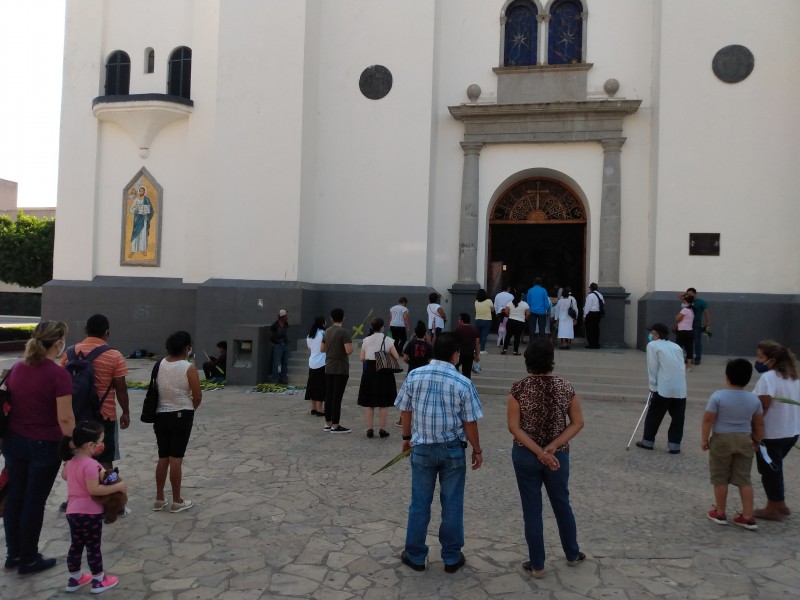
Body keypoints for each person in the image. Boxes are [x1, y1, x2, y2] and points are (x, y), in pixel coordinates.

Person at [395, 332, 484, 573]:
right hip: (452, 450)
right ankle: (452, 556)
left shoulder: (414, 375)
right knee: (452, 504)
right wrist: (477, 450)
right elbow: (470, 423)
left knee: (419, 503)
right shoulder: (463, 383)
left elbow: (405, 409)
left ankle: (415, 554)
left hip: (421, 448)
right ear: (456, 356)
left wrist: (406, 437)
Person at [507, 338, 585, 578]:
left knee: (532, 509)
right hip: (557, 455)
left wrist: (538, 451)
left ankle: (537, 564)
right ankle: (572, 553)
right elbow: (578, 422)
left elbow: (514, 427)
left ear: (527, 361)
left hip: (525, 452)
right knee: (562, 503)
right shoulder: (566, 387)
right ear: (552, 360)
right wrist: (552, 446)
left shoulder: (518, 388)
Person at [2, 321, 75, 576]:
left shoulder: (17, 369)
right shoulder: (58, 375)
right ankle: (30, 559)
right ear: (58, 343)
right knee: (34, 501)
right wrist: (73, 447)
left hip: (13, 442)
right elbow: (65, 419)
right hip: (45, 444)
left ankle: (14, 554)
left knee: (15, 498)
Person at [59, 421, 126, 593]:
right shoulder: (91, 465)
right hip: (90, 512)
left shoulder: (71, 462)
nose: (101, 445)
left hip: (72, 513)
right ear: (91, 445)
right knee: (93, 546)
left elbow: (65, 476)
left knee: (76, 545)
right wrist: (117, 487)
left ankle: (75, 578)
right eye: (100, 441)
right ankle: (98, 580)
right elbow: (94, 489)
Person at [61, 314, 130, 473]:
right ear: (107, 332)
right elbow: (120, 387)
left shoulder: (70, 353)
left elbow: (61, 383)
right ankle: (105, 494)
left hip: (76, 414)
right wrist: (125, 412)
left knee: (78, 458)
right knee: (105, 460)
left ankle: (79, 493)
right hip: (104, 415)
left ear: (85, 330)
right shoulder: (114, 355)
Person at [702, 359, 763, 530]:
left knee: (720, 477)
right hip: (745, 439)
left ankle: (720, 512)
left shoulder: (718, 396)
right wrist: (757, 440)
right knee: (744, 479)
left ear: (727, 376)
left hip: (722, 439)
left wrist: (704, 439)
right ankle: (748, 516)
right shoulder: (753, 399)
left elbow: (708, 419)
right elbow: (759, 424)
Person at [152, 331, 202, 513]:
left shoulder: (160, 364)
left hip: (160, 415)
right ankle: (177, 499)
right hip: (181, 413)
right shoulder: (188, 368)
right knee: (176, 459)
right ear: (186, 348)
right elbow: (197, 396)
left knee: (163, 457)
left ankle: (159, 498)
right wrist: (189, 409)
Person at [752, 340, 800, 521]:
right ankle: (780, 503)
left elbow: (763, 405)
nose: (756, 360)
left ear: (771, 360)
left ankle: (772, 507)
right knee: (776, 468)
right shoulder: (792, 377)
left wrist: (755, 433)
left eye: (760, 357)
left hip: (772, 433)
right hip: (791, 432)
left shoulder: (768, 378)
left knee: (768, 470)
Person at [635, 323, 687, 454]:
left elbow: (652, 367)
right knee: (678, 418)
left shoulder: (653, 345)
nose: (650, 336)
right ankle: (674, 445)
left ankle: (648, 442)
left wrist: (652, 386)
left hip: (663, 388)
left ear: (656, 334)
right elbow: (681, 367)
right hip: (680, 389)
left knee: (654, 415)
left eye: (652, 333)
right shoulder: (676, 346)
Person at [358, 318, 400, 438]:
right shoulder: (388, 340)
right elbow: (396, 356)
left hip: (370, 371)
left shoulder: (366, 340)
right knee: (383, 403)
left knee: (370, 403)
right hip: (383, 371)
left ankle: (370, 429)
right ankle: (382, 429)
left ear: (372, 327)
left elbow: (362, 358)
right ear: (382, 327)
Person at [321, 308, 353, 434]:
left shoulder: (327, 331)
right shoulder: (344, 332)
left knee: (329, 396)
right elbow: (348, 351)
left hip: (329, 366)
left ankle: (328, 423)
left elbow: (322, 349)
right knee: (337, 397)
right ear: (343, 318)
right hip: (340, 367)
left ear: (331, 318)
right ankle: (336, 425)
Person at [679, 287, 711, 366]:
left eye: (691, 294)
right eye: (688, 294)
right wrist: (687, 294)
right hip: (687, 323)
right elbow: (680, 295)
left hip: (696, 323)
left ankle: (698, 358)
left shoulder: (701, 302)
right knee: (688, 341)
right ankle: (689, 357)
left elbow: (706, 312)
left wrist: (708, 321)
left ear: (696, 294)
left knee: (697, 340)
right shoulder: (687, 301)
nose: (690, 295)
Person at [305, 316, 327, 417]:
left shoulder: (310, 335)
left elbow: (309, 349)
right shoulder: (323, 334)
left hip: (312, 362)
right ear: (322, 323)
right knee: (321, 387)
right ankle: (320, 409)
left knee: (312, 386)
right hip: (322, 363)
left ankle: (313, 408)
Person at [128, 185, 154, 258]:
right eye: (139, 191)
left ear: (144, 192)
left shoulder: (147, 200)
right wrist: (136, 210)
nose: (140, 192)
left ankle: (143, 249)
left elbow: (151, 210)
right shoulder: (136, 200)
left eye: (142, 191)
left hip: (144, 219)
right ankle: (133, 250)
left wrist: (147, 213)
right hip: (137, 219)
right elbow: (131, 209)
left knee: (143, 234)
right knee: (136, 234)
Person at [502, 291, 530, 356]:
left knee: (508, 336)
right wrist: (525, 318)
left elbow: (506, 311)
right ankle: (515, 351)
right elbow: (528, 313)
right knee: (517, 337)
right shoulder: (525, 304)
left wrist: (510, 315)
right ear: (521, 297)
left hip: (511, 321)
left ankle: (504, 349)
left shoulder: (510, 303)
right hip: (520, 322)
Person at [455, 313, 480, 379]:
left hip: (461, 353)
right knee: (467, 372)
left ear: (462, 320)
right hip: (470, 353)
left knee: (456, 366)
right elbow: (477, 344)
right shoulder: (474, 330)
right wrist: (477, 355)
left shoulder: (458, 330)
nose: (459, 321)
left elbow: (455, 342)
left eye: (459, 320)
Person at [269, 309, 290, 384]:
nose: (287, 317)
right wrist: (275, 342)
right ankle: (275, 378)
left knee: (285, 362)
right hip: (278, 345)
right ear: (282, 317)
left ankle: (283, 378)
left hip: (285, 344)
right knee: (276, 362)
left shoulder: (286, 324)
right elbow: (270, 336)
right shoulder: (275, 325)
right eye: (286, 316)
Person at [674, 297, 694, 371]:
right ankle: (689, 367)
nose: (683, 303)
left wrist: (677, 316)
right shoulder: (691, 311)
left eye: (684, 302)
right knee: (689, 349)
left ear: (688, 303)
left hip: (682, 332)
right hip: (690, 331)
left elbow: (677, 318)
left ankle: (678, 365)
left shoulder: (684, 310)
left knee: (678, 348)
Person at [583, 283, 604, 349]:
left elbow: (587, 307)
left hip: (591, 314)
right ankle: (596, 343)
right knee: (596, 329)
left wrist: (584, 315)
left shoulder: (590, 296)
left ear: (591, 288)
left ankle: (591, 344)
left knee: (589, 329)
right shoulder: (600, 295)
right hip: (598, 314)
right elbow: (603, 303)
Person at [473, 289, 494, 354]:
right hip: (487, 320)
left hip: (478, 319)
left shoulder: (476, 302)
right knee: (484, 335)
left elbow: (475, 311)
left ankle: (475, 349)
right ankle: (482, 350)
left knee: (477, 336)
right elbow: (492, 310)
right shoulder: (489, 301)